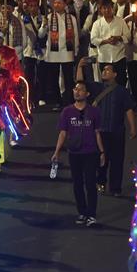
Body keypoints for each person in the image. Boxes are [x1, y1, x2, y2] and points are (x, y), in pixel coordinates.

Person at [75, 59, 136, 197]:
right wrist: (79, 66)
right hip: (100, 131)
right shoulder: (97, 88)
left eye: (108, 70)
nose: (104, 71)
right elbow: (80, 82)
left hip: (117, 130)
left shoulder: (122, 91)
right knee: (101, 159)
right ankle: (101, 182)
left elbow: (128, 109)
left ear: (115, 74)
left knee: (117, 160)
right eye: (103, 70)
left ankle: (115, 188)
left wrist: (133, 127)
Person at [51, 80, 105, 226]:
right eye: (75, 89)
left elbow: (97, 133)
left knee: (90, 183)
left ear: (87, 94)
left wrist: (102, 152)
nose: (77, 91)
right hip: (74, 153)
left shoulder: (94, 112)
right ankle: (82, 212)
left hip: (90, 152)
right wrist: (56, 152)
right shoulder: (67, 112)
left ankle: (91, 214)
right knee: (77, 184)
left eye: (81, 89)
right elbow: (63, 133)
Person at [39, 0, 79, 110]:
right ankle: (57, 101)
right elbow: (41, 35)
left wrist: (75, 50)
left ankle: (69, 101)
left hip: (67, 51)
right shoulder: (49, 17)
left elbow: (75, 35)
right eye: (55, 2)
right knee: (54, 78)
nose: (57, 5)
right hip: (53, 52)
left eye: (59, 3)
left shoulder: (71, 18)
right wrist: (44, 26)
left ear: (65, 4)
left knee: (68, 78)